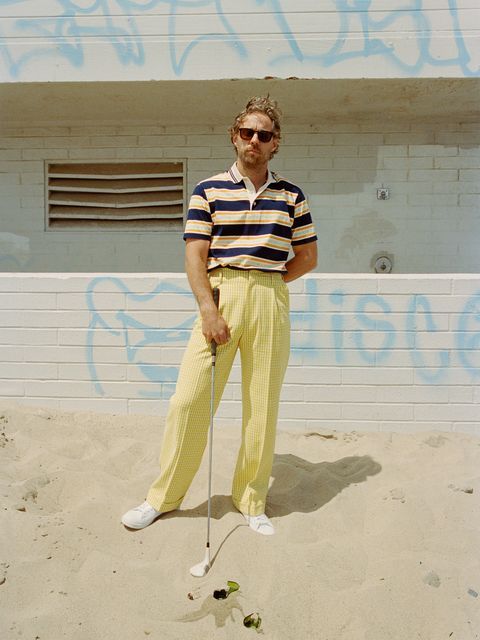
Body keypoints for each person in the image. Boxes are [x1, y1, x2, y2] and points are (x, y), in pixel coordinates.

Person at [122, 96, 317, 535]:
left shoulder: (292, 195)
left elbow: (307, 256)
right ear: (234, 136)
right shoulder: (208, 190)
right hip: (220, 292)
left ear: (275, 143)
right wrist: (210, 308)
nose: (254, 140)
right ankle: (163, 497)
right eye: (247, 132)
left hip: (269, 294)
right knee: (189, 400)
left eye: (263, 135)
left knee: (262, 405)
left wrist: (267, 286)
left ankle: (251, 499)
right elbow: (195, 257)